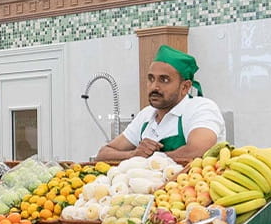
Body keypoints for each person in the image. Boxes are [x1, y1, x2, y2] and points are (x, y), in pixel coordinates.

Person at [95, 46, 224, 164]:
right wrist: (134, 154)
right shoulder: (146, 115)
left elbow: (197, 152)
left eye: (164, 80)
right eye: (151, 79)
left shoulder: (201, 108)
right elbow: (103, 154)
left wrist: (150, 159)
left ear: (185, 87)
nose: (154, 87)